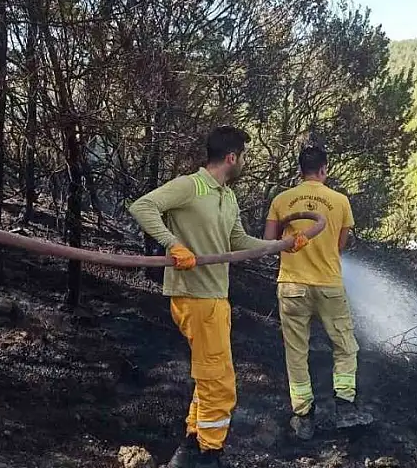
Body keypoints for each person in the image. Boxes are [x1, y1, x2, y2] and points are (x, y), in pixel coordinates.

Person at [129, 126, 308, 468]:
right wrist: (174, 244)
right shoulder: (191, 186)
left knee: (208, 376)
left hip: (215, 299)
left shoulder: (227, 196)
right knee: (221, 383)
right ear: (231, 157)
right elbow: (143, 207)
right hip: (195, 297)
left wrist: (281, 246)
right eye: (243, 156)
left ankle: (193, 445)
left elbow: (238, 241)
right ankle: (210, 454)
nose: (244, 162)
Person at [264, 144, 369, 441]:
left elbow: (269, 242)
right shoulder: (340, 201)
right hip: (328, 285)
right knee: (345, 345)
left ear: (300, 171)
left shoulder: (282, 200)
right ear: (324, 170)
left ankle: (303, 416)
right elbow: (340, 245)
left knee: (296, 351)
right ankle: (345, 406)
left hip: (291, 287)